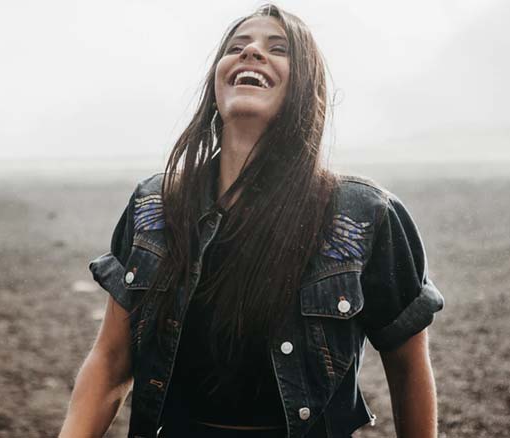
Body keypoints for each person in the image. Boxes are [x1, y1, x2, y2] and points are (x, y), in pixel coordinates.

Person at [59, 4, 444, 438]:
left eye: (278, 48)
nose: (252, 53)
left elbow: (409, 370)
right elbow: (111, 361)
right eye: (237, 47)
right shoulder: (156, 204)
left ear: (306, 87)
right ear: (216, 81)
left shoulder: (364, 216)